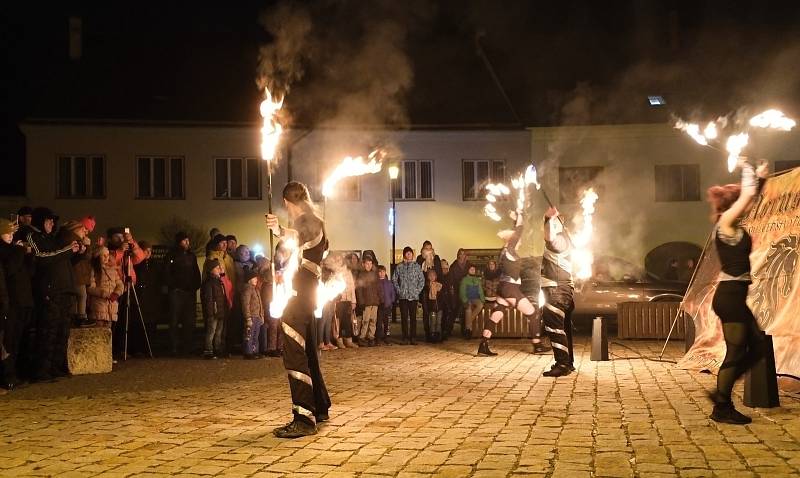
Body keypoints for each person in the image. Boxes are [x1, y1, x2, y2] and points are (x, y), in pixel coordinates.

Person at [266, 181, 331, 438]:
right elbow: (298, 239)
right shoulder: (313, 220)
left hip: (300, 293)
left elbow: (297, 236)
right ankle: (320, 406)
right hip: (307, 292)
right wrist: (280, 230)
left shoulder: (308, 221)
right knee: (309, 351)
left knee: (294, 353)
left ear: (286, 203)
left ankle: (304, 418)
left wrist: (279, 230)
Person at [706, 160, 769, 425]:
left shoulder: (735, 223)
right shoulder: (725, 223)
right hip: (729, 297)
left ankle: (721, 396)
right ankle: (722, 405)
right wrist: (746, 168)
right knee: (737, 352)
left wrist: (761, 179)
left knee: (757, 346)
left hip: (734, 296)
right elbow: (748, 196)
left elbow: (750, 199)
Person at [27, 207, 80, 381]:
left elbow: (62, 259)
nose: (51, 223)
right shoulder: (33, 237)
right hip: (50, 291)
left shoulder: (52, 239)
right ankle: (41, 370)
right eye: (48, 220)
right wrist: (67, 251)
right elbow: (43, 258)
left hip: (65, 290)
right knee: (47, 332)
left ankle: (57, 367)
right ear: (40, 221)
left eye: (52, 221)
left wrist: (77, 253)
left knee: (61, 332)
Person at [479, 208, 536, 357]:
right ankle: (538, 344)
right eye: (517, 239)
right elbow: (519, 231)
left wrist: (515, 218)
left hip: (503, 288)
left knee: (496, 315)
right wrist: (520, 216)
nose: (520, 240)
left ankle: (483, 345)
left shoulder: (506, 251)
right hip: (510, 288)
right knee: (532, 313)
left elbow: (515, 231)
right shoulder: (509, 249)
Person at [540, 207, 576, 376]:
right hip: (563, 288)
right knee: (563, 328)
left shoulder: (560, 240)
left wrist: (548, 219)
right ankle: (568, 363)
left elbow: (549, 237)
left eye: (554, 224)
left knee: (554, 327)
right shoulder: (566, 239)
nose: (549, 228)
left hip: (556, 289)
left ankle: (562, 364)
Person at [0, 218, 34, 390]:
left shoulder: (13, 250)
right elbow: (10, 271)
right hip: (11, 302)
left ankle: (15, 373)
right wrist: (19, 252)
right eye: (8, 232)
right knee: (9, 342)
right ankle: (8, 377)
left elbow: (27, 271)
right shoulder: (6, 251)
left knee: (17, 340)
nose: (11, 235)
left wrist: (27, 254)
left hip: (22, 300)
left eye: (12, 232)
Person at [164, 232, 201, 356]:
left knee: (189, 320)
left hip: (189, 292)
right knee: (174, 319)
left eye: (188, 240)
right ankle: (174, 346)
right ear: (179, 242)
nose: (188, 243)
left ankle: (187, 346)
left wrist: (196, 285)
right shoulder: (171, 255)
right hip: (177, 292)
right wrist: (173, 286)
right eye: (185, 241)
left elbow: (195, 271)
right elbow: (167, 272)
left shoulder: (192, 256)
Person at [392, 246, 424, 345]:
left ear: (412, 255)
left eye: (410, 253)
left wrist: (417, 291)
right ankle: (405, 337)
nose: (408, 254)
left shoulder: (416, 266)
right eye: (407, 253)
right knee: (404, 318)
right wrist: (399, 290)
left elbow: (421, 280)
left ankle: (413, 337)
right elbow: (394, 279)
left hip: (413, 297)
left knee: (413, 318)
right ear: (404, 255)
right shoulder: (399, 267)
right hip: (403, 297)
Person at [86, 246, 124, 328]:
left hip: (111, 308)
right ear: (98, 256)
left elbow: (120, 284)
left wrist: (116, 293)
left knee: (107, 335)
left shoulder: (112, 270)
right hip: (98, 306)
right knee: (98, 333)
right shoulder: (93, 270)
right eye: (104, 255)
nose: (107, 257)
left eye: (107, 255)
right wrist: (106, 294)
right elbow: (90, 288)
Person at [201, 259, 229, 359]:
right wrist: (211, 312)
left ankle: (217, 349)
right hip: (214, 312)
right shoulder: (209, 283)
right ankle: (208, 350)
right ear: (211, 270)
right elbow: (209, 300)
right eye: (217, 268)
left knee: (218, 332)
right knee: (211, 331)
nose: (219, 269)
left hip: (220, 311)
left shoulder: (219, 281)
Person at [416, 241, 443, 342]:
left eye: (430, 248)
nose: (428, 250)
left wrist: (436, 284)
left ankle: (437, 333)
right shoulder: (420, 258)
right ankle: (428, 333)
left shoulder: (436, 258)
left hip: (435, 288)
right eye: (426, 248)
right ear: (423, 248)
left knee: (437, 311)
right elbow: (418, 273)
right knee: (426, 312)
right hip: (424, 289)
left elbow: (439, 272)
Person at [356, 257, 381, 346]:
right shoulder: (361, 275)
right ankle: (362, 337)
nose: (369, 265)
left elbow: (379, 288)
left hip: (374, 302)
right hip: (366, 302)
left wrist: (380, 298)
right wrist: (361, 302)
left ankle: (371, 337)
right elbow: (359, 290)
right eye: (367, 264)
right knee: (365, 321)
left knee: (373, 320)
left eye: (370, 264)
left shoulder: (375, 275)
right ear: (363, 264)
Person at [241, 268, 264, 359]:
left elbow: (260, 304)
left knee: (255, 335)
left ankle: (254, 351)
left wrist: (261, 315)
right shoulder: (247, 289)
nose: (256, 279)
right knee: (249, 335)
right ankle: (248, 352)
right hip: (251, 316)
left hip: (257, 316)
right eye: (254, 278)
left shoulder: (256, 289)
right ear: (249, 279)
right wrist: (248, 317)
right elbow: (245, 304)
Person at [449, 248, 471, 337]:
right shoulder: (454, 265)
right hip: (457, 291)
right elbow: (451, 279)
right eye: (460, 254)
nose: (462, 255)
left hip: (466, 291)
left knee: (465, 311)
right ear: (458, 255)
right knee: (454, 310)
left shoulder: (469, 265)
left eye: (463, 254)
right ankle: (449, 329)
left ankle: (465, 331)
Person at [335, 263, 358, 349]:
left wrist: (353, 301)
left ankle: (349, 341)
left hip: (348, 301)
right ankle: (339, 340)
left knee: (348, 321)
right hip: (339, 301)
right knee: (338, 322)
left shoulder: (349, 273)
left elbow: (352, 287)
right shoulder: (335, 273)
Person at [460, 264, 485, 339]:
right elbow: (462, 291)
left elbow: (480, 291)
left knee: (480, 305)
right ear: (468, 270)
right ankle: (469, 330)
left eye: (474, 270)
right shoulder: (464, 280)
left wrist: (483, 300)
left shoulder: (477, 280)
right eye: (471, 269)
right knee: (468, 309)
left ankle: (467, 324)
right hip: (467, 298)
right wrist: (465, 300)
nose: (473, 271)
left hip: (475, 298)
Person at [376, 265, 395, 346]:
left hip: (387, 305)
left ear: (385, 272)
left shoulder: (389, 283)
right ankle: (378, 338)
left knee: (387, 323)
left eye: (383, 272)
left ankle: (387, 337)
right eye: (379, 272)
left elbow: (392, 293)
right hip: (380, 306)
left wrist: (391, 301)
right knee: (379, 323)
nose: (381, 273)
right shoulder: (376, 283)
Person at [426, 269, 443, 342]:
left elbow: (442, 297)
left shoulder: (439, 286)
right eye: (430, 276)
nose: (432, 277)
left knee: (438, 322)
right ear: (428, 277)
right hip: (432, 307)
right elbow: (426, 298)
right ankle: (432, 335)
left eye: (434, 275)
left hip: (439, 307)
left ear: (436, 276)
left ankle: (438, 335)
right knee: (433, 322)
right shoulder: (427, 286)